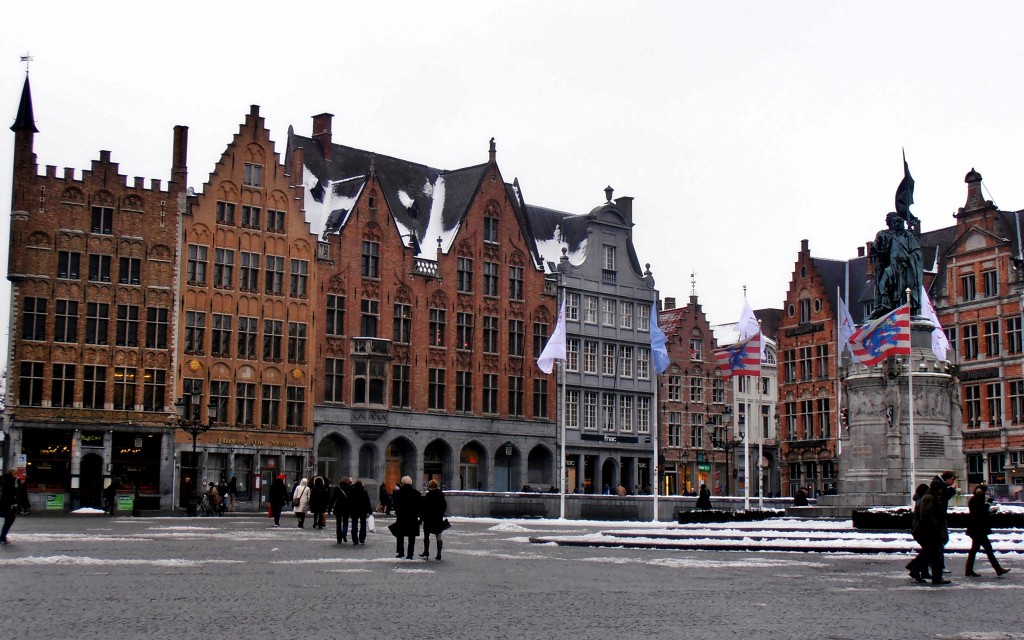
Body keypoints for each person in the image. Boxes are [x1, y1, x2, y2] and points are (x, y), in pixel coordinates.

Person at [965, 484, 1011, 577]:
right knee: (988, 549)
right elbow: (979, 512)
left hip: (976, 529)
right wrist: (988, 504)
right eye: (985, 491)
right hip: (978, 529)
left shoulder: (977, 500)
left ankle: (969, 570)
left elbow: (980, 513)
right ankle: (998, 569)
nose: (986, 493)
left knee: (974, 549)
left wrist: (990, 511)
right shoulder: (976, 500)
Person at [915, 478, 952, 585]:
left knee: (933, 553)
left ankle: (918, 571)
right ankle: (935, 577)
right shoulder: (929, 497)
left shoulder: (932, 496)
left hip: (934, 530)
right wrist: (935, 523)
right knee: (936, 555)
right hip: (932, 531)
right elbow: (926, 514)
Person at [906, 483, 932, 582]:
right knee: (928, 551)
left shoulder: (919, 500)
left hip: (918, 529)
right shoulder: (921, 501)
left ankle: (923, 571)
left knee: (927, 550)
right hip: (920, 529)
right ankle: (914, 568)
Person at [391, 476, 421, 559]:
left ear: (402, 483)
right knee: (412, 537)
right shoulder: (416, 493)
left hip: (402, 517)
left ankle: (401, 552)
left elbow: (395, 505)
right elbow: (419, 506)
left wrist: (398, 512)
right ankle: (410, 554)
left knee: (400, 535)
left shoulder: (398, 493)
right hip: (412, 518)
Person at [419, 479, 448, 560]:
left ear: (430, 486)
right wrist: (440, 513)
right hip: (438, 518)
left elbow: (424, 508)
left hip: (428, 518)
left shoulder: (428, 495)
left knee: (426, 535)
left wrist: (421, 519)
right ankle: (439, 553)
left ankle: (426, 551)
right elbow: (444, 506)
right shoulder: (441, 495)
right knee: (438, 535)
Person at [349, 480, 373, 545]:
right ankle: (362, 538)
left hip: (354, 510)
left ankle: (355, 539)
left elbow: (349, 501)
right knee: (363, 524)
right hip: (363, 510)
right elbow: (368, 502)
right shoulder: (364, 491)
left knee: (354, 524)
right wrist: (370, 510)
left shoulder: (352, 491)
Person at [330, 477, 352, 542]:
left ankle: (339, 538)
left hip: (338, 507)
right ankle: (344, 533)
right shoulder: (350, 488)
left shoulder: (337, 488)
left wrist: (330, 507)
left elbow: (333, 498)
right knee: (345, 521)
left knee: (338, 523)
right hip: (347, 507)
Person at [1, 469, 18, 544]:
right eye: (15, 473)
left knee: (9, 519)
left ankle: (3, 537)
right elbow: (10, 493)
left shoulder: (10, 480)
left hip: (6, 504)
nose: (16, 475)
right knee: (10, 519)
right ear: (12, 473)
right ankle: (3, 537)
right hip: (7, 504)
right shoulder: (10, 481)